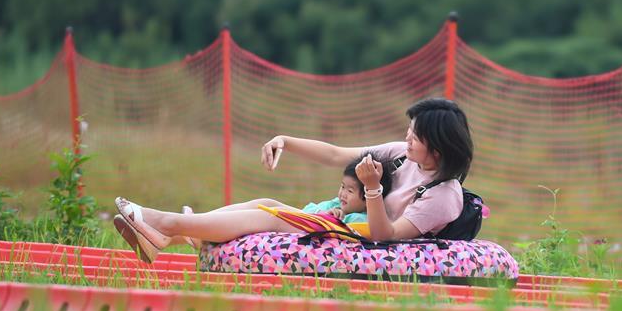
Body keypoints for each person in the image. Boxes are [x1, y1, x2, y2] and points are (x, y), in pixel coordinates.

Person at [114, 98, 474, 263]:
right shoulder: (401, 155)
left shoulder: (444, 196)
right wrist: (285, 140)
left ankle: (165, 223)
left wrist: (372, 190)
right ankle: (169, 234)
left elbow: (387, 235)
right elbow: (335, 154)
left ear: (437, 149)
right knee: (268, 204)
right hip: (350, 224)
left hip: (364, 238)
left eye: (415, 136)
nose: (407, 138)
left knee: (272, 215)